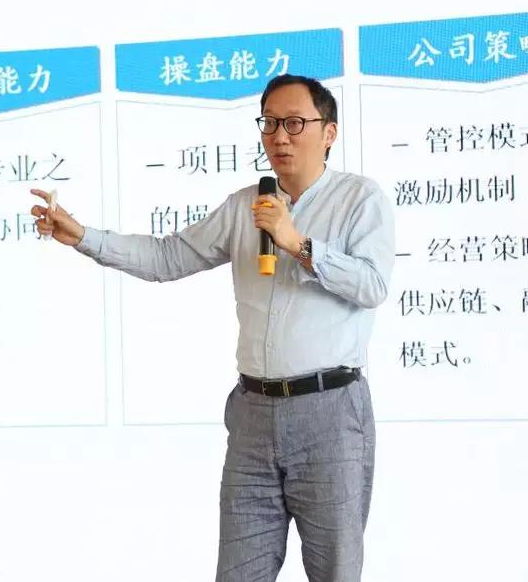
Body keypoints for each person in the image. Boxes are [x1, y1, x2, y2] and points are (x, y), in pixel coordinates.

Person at [30, 74, 395, 582]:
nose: (279, 136)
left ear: (329, 132)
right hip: (253, 415)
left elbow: (373, 285)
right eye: (270, 123)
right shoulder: (246, 204)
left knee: (334, 572)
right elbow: (168, 257)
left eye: (294, 123)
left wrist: (297, 243)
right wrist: (84, 237)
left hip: (330, 412)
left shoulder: (360, 198)